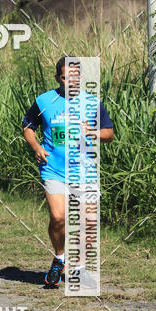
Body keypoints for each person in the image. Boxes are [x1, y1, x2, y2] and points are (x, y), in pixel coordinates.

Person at [23, 56, 114, 287]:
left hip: (84, 171)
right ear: (58, 78)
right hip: (53, 169)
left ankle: (80, 269)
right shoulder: (44, 100)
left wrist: (92, 133)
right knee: (58, 217)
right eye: (65, 77)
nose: (70, 82)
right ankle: (60, 256)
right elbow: (28, 126)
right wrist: (36, 146)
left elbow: (109, 134)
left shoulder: (92, 102)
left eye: (75, 77)